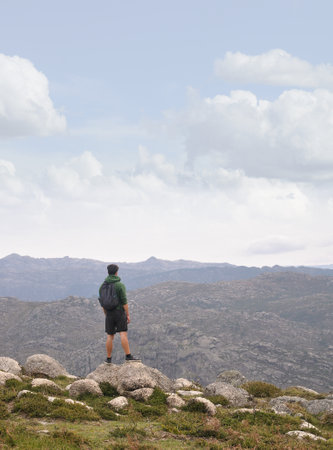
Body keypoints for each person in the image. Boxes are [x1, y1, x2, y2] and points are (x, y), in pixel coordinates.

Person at [99, 264, 139, 363]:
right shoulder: (119, 285)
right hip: (119, 312)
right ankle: (128, 356)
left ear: (108, 272)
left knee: (110, 336)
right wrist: (128, 314)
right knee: (123, 334)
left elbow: (102, 303)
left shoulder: (102, 286)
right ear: (117, 272)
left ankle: (108, 358)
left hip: (108, 313)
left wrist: (106, 314)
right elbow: (124, 302)